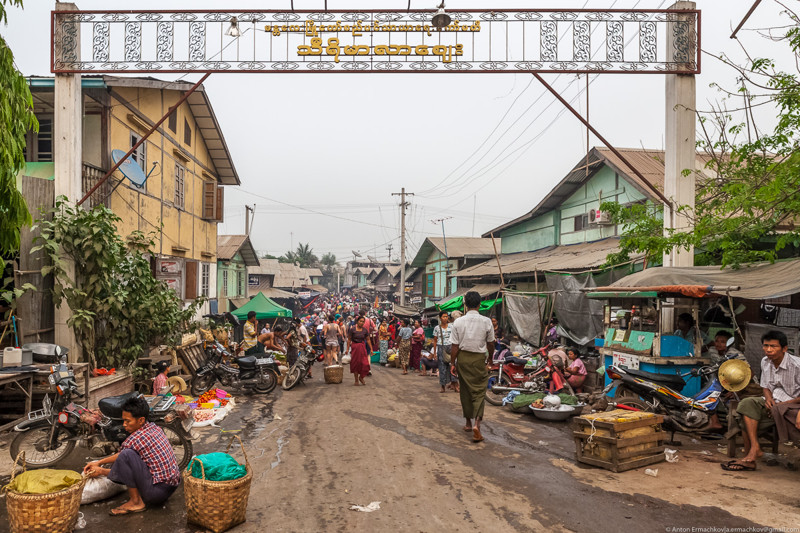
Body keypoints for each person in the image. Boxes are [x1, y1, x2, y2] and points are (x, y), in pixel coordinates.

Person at [83, 396, 180, 515]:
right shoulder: (155, 428)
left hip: (156, 493)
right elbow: (130, 469)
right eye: (123, 420)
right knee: (129, 455)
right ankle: (137, 498)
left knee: (126, 454)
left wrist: (100, 466)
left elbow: (121, 457)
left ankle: (136, 502)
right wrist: (100, 466)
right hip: (170, 488)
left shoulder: (137, 437)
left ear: (141, 420)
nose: (124, 425)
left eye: (128, 421)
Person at [722, 330, 800, 471]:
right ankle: (754, 449)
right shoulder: (765, 362)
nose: (768, 350)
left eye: (773, 346)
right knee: (747, 404)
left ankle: (750, 455)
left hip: (793, 405)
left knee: (745, 417)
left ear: (784, 349)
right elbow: (765, 387)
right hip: (773, 401)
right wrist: (769, 399)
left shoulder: (797, 365)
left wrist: (780, 406)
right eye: (766, 345)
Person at [450, 291, 495, 443]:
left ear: (465, 305)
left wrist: (452, 363)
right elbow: (491, 344)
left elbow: (454, 346)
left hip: (462, 358)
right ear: (479, 304)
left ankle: (468, 423)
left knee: (465, 390)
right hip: (478, 359)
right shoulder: (487, 321)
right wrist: (491, 360)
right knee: (479, 391)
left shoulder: (458, 322)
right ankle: (477, 424)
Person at [432, 312, 457, 393]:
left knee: (453, 365)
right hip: (441, 347)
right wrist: (435, 353)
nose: (445, 318)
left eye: (446, 317)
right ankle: (443, 386)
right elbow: (435, 340)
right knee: (442, 368)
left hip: (451, 347)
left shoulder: (452, 326)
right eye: (443, 317)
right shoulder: (436, 328)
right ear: (440, 318)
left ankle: (455, 384)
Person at [348, 316, 373, 386]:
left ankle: (361, 377)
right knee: (356, 364)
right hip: (355, 348)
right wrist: (347, 349)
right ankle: (356, 380)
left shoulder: (365, 330)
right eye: (360, 321)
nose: (361, 323)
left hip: (362, 348)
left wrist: (371, 349)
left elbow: (368, 340)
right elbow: (349, 339)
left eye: (363, 322)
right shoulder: (352, 329)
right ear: (357, 321)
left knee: (365, 364)